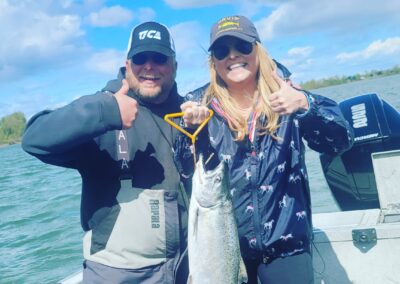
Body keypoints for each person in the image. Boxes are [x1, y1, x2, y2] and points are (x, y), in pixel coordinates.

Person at [177, 15, 354, 284]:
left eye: (242, 46)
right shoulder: (197, 105)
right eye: (222, 50)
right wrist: (190, 131)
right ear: (213, 61)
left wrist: (307, 105)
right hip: (223, 248)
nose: (233, 56)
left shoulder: (289, 96)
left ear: (258, 49)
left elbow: (341, 141)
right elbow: (183, 172)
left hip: (287, 248)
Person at [22, 21, 189, 283]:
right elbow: (34, 139)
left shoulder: (189, 114)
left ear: (174, 67)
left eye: (159, 58)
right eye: (140, 58)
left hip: (186, 268)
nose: (149, 66)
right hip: (117, 273)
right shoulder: (102, 111)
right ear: (127, 64)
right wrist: (106, 111)